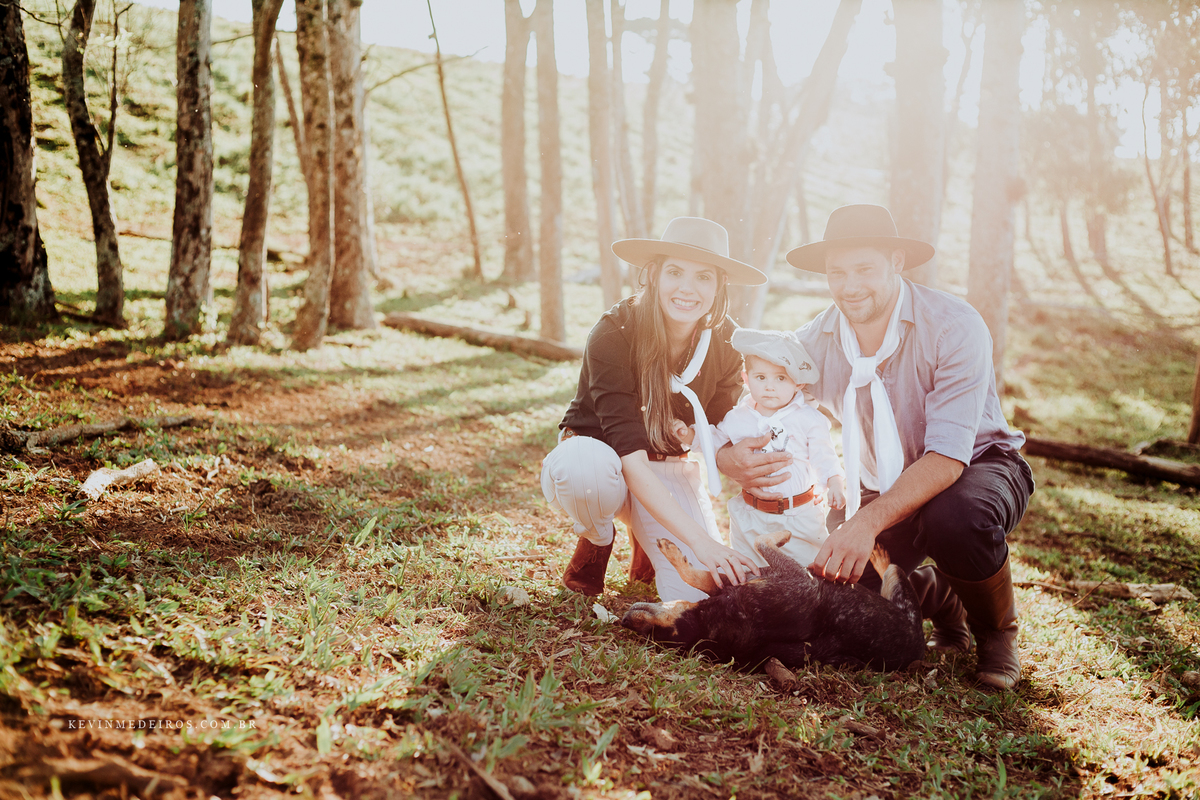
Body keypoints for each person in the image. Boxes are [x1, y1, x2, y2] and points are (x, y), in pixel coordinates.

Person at [717, 204, 1035, 690]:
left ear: (897, 263)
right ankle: (936, 593)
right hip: (879, 481)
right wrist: (726, 457)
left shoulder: (954, 326)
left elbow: (948, 458)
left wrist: (861, 523)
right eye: (836, 272)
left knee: (956, 517)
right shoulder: (814, 344)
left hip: (977, 466)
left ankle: (997, 633)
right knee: (841, 600)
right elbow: (755, 390)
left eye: (864, 268)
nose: (849, 285)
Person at [541, 217, 765, 602]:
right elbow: (627, 454)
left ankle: (648, 534)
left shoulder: (728, 342)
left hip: (667, 466)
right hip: (604, 457)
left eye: (703, 277)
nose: (686, 289)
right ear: (655, 274)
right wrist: (703, 541)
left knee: (701, 593)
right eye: (675, 272)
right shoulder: (615, 332)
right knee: (585, 472)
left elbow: (709, 432)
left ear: (719, 286)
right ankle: (597, 538)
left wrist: (732, 457)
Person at [673, 328, 845, 569]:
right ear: (746, 378)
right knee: (751, 575)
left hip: (798, 518)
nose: (769, 387)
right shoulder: (738, 417)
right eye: (761, 377)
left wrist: (834, 481)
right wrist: (690, 434)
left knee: (804, 576)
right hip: (751, 515)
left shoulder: (808, 419)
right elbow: (717, 440)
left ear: (798, 383)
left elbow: (823, 455)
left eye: (780, 378)